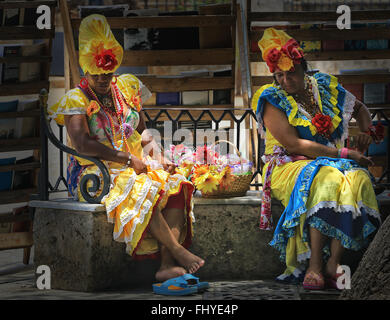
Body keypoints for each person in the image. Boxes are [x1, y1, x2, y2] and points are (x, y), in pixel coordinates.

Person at [48, 14, 204, 282]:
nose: (102, 78)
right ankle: (179, 251)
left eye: (107, 72)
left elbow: (143, 132)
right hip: (96, 173)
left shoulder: (128, 86)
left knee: (176, 184)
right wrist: (128, 159)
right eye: (96, 73)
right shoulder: (77, 98)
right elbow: (83, 144)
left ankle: (166, 264)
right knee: (143, 187)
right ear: (86, 68)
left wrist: (158, 153)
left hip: (136, 164)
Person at [252, 28, 382, 290]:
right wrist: (344, 153)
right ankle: (313, 264)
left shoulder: (323, 85)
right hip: (289, 165)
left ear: (303, 67)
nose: (286, 81)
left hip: (332, 161)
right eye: (280, 75)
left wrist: (366, 132)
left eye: (292, 73)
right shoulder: (271, 98)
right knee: (328, 176)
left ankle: (334, 262)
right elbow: (293, 144)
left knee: (358, 177)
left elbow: (360, 108)